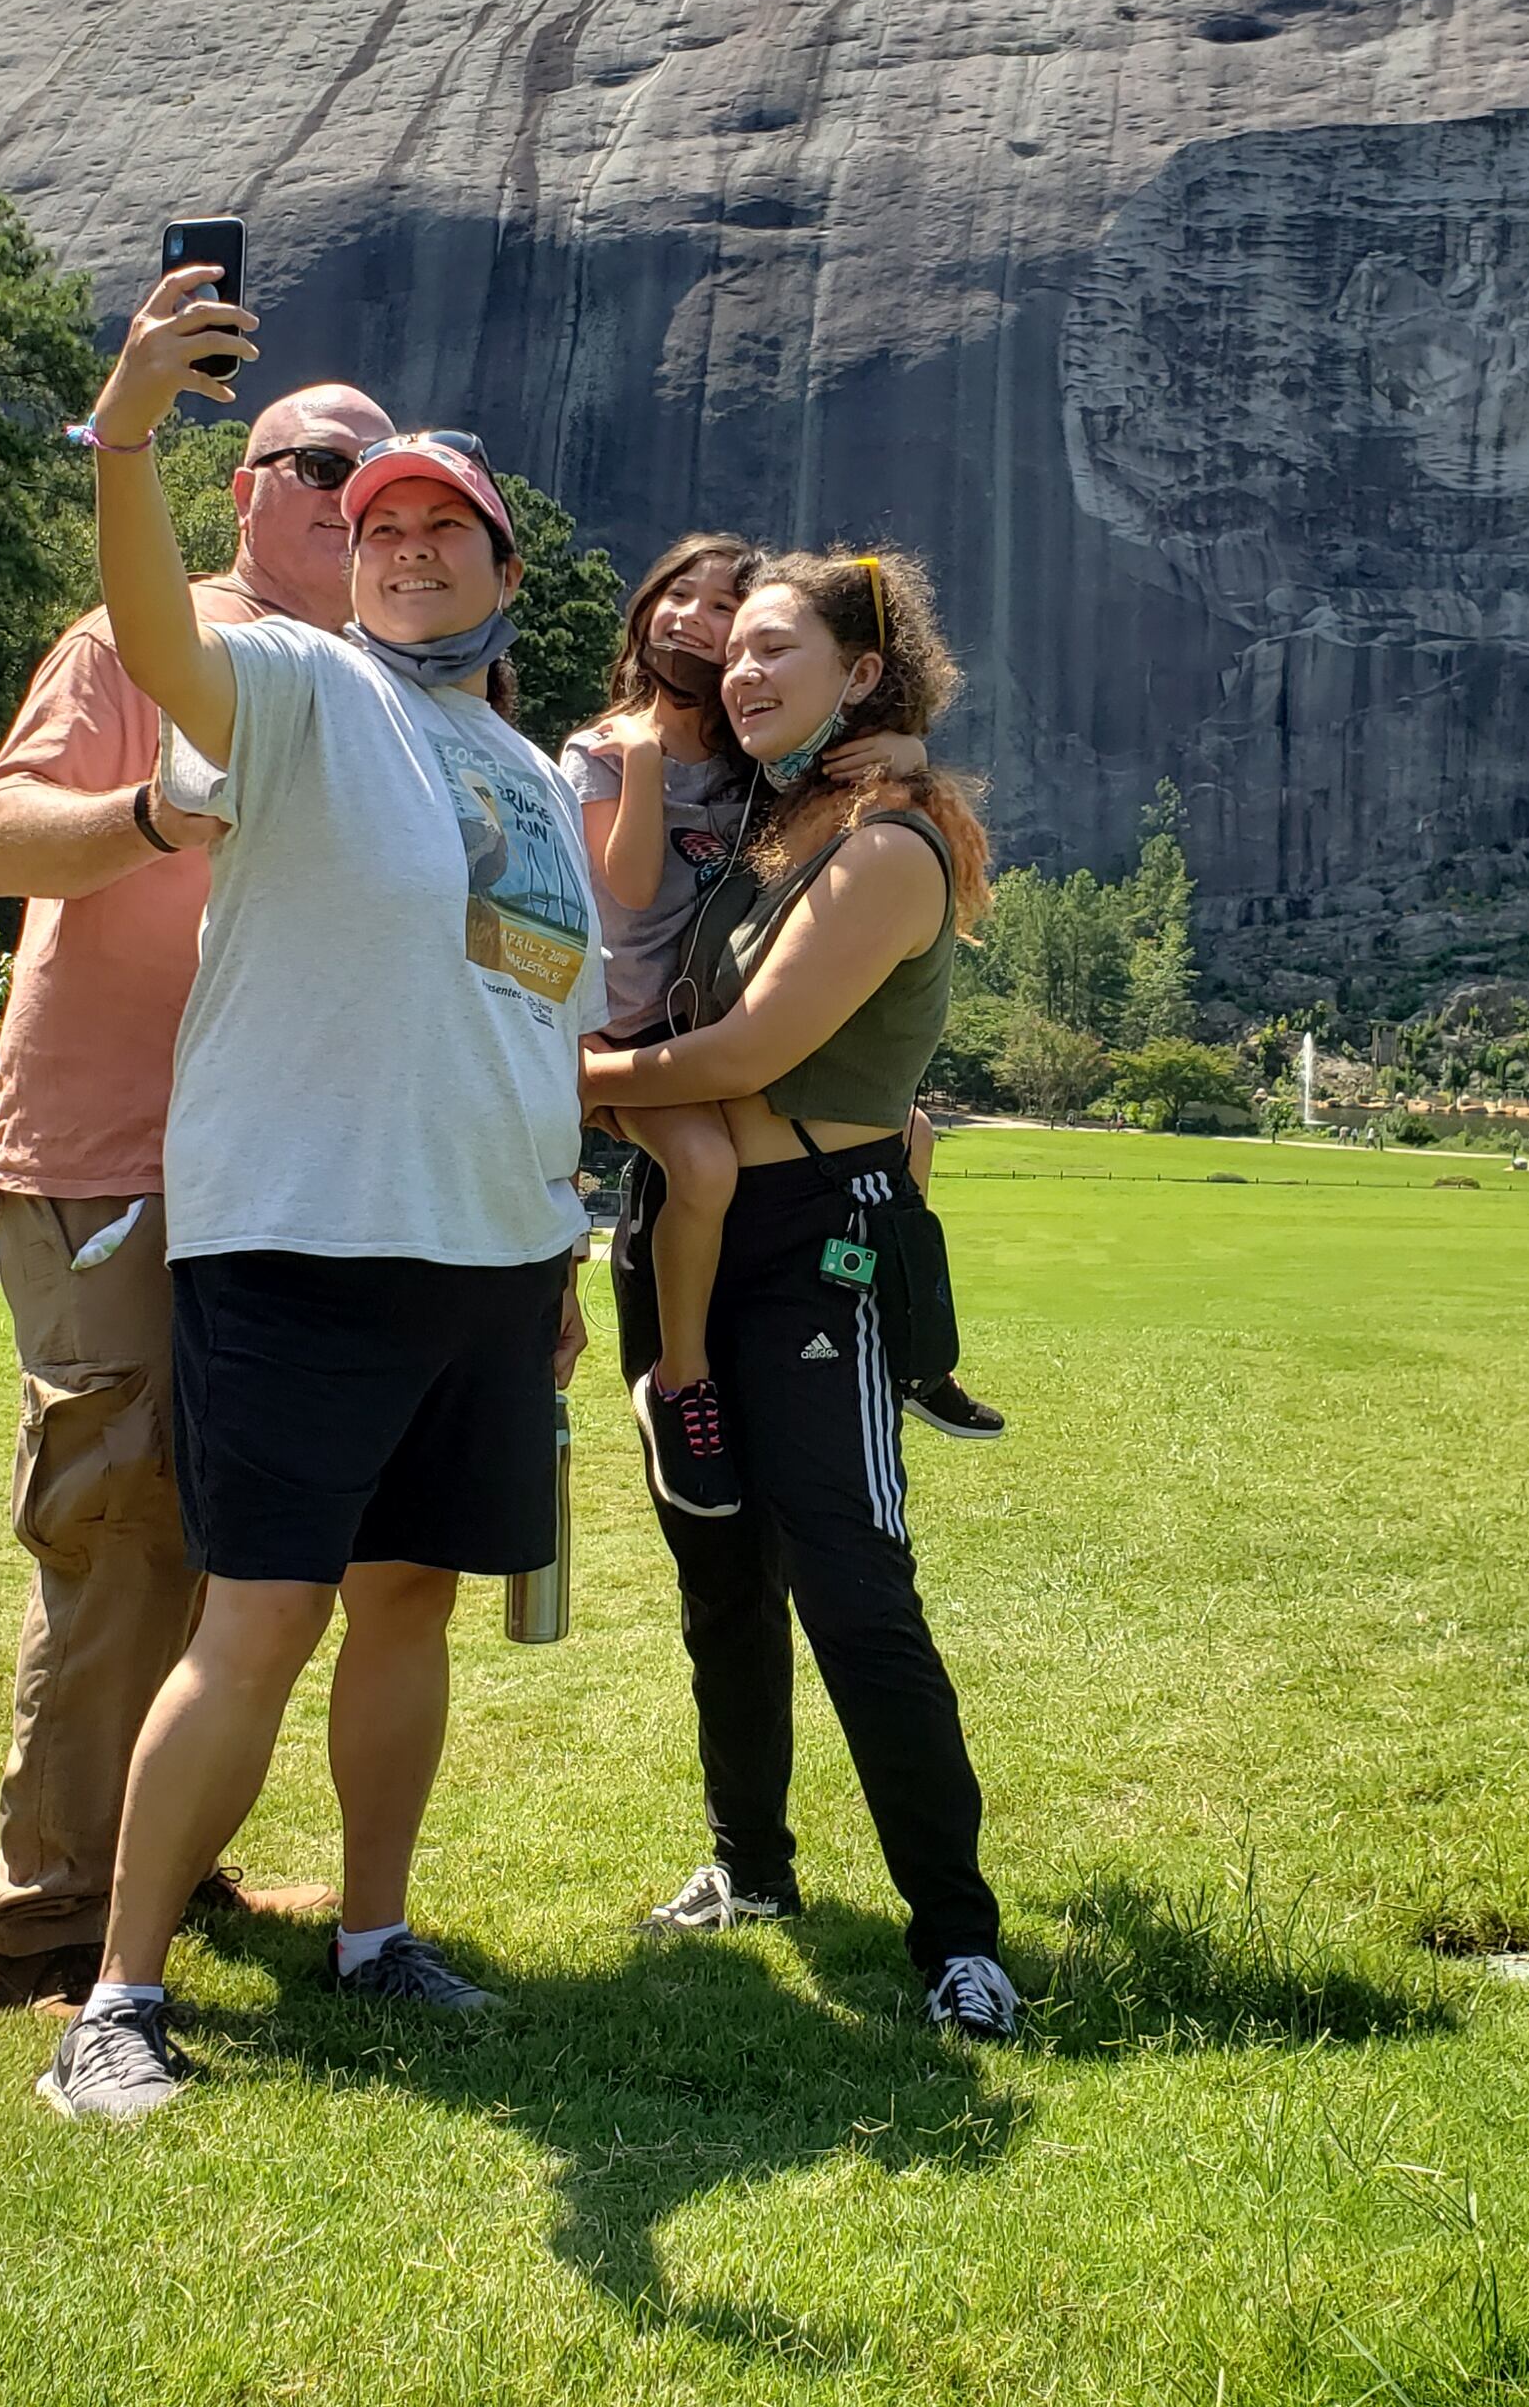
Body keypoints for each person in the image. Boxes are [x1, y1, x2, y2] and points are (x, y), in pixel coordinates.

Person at [39, 265, 601, 2123]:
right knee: (258, 1618)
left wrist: (561, 1255)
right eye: (384, 527)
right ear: (346, 562)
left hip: (489, 1257)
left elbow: (533, 1022)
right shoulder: (289, 685)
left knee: (413, 1608)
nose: (413, 548)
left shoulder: (522, 769)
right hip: (303, 1243)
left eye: (451, 528)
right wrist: (127, 433)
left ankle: (377, 1936)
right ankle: (116, 1998)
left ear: (508, 571)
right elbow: (152, 630)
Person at [0, 379, 392, 2016]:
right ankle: (40, 1930)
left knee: (228, 1541)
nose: (354, 500)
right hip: (109, 1156)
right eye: (325, 465)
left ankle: (164, 1861)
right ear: (247, 488)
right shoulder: (138, 640)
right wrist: (149, 814)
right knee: (120, 1530)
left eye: (382, 474)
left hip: (271, 1180)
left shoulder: (367, 691)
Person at [579, 547, 1024, 2040]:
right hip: (685, 1222)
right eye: (737, 653)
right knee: (720, 1572)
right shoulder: (777, 820)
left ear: (865, 676)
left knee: (850, 1586)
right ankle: (748, 1868)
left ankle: (959, 1939)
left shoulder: (885, 845)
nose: (745, 672)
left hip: (817, 1246)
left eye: (783, 649)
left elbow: (741, 1058)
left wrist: (550, 1078)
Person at [562, 539, 1007, 1502]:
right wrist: (640, 760)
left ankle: (914, 1340)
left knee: (910, 1133)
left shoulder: (748, 770)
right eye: (677, 598)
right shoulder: (608, 749)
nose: (704, 632)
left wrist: (909, 749)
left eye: (729, 618)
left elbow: (825, 760)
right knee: (707, 1167)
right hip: (624, 1033)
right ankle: (682, 1379)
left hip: (698, 1057)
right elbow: (628, 886)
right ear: (642, 614)